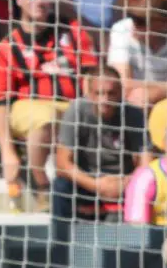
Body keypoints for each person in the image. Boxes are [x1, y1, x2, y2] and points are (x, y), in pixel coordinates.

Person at [0, 0, 97, 212]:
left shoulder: (72, 31)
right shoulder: (9, 45)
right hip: (28, 108)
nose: (40, 1)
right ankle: (41, 185)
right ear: (19, 0)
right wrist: (8, 152)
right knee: (46, 118)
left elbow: (91, 74)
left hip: (70, 106)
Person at [53, 67, 151, 222]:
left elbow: (147, 164)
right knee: (61, 186)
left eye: (111, 93)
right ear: (90, 94)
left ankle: (142, 240)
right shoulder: (77, 110)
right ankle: (61, 242)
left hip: (123, 181)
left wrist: (126, 182)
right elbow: (62, 163)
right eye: (99, 93)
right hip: (87, 181)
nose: (105, 99)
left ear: (120, 93)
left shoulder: (134, 114)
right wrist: (97, 185)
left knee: (151, 184)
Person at [107, 0, 167, 108]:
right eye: (133, 17)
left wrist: (153, 94)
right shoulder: (121, 30)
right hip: (132, 103)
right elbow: (123, 84)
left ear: (164, 23)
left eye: (141, 21)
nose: (134, 24)